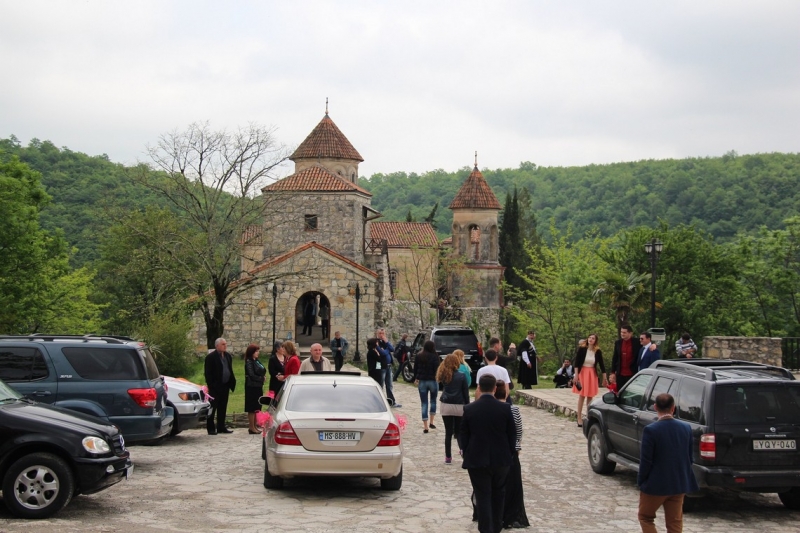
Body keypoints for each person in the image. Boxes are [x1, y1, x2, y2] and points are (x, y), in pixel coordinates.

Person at [460, 374, 517, 533]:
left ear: (479, 387)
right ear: (495, 388)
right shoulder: (505, 409)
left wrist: (466, 452)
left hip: (477, 458)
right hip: (501, 458)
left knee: (482, 495)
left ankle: (485, 528)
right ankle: (497, 526)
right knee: (499, 493)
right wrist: (509, 452)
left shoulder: (469, 409)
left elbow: (463, 434)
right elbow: (512, 434)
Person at [637, 393, 699, 533]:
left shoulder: (651, 430)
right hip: (678, 483)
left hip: (655, 484)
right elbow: (690, 458)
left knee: (645, 517)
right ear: (673, 408)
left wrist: (642, 481)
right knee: (674, 522)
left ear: (655, 407)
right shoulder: (686, 428)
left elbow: (646, 461)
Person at [494, 381, 529, 529]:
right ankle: (510, 514)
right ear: (506, 393)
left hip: (496, 451)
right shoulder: (513, 409)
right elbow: (518, 430)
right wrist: (517, 446)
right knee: (512, 485)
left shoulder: (493, 409)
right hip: (511, 451)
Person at [436, 352, 470, 464]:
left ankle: (448, 457)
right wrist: (467, 405)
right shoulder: (461, 376)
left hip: (446, 404)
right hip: (459, 405)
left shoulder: (444, 376)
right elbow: (465, 393)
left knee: (448, 432)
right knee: (459, 432)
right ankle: (463, 453)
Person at [573, 333, 607, 426]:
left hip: (592, 373)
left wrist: (604, 377)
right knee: (582, 395)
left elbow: (602, 365)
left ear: (595, 341)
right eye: (589, 337)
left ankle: (588, 416)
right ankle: (579, 417)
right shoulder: (582, 349)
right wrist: (576, 375)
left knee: (590, 396)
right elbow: (576, 363)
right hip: (583, 372)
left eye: (593, 338)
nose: (591, 339)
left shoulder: (597, 351)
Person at [204, 338, 237, 435]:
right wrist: (211, 385)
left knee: (223, 407)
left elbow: (229, 369)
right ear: (217, 346)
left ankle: (221, 426)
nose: (225, 346)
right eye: (223, 344)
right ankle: (211, 428)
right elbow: (208, 373)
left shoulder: (227, 356)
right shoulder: (211, 357)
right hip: (215, 387)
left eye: (225, 344)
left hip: (225, 385)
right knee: (212, 407)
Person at [413, 340, 440, 433]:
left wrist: (416, 377)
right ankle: (432, 422)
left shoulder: (419, 356)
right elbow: (437, 368)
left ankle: (425, 426)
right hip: (433, 380)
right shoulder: (435, 356)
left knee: (424, 403)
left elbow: (415, 368)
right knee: (433, 401)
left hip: (422, 381)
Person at [243, 343, 266, 434]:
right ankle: (251, 427)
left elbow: (262, 370)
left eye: (258, 351)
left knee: (257, 407)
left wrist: (262, 377)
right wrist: (261, 378)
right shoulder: (249, 361)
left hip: (258, 386)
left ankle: (255, 426)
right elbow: (251, 375)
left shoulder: (256, 361)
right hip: (251, 387)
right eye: (256, 351)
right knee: (252, 407)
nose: (257, 353)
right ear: (251, 352)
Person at [610, 325, 642, 390]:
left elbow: (647, 344)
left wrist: (653, 345)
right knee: (620, 391)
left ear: (630, 333)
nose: (622, 334)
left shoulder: (637, 342)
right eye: (621, 332)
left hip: (632, 373)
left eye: (624, 332)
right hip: (620, 374)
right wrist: (613, 372)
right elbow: (615, 358)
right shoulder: (618, 343)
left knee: (631, 391)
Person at [375, 328, 400, 406]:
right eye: (380, 333)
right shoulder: (376, 342)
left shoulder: (385, 342)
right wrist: (387, 350)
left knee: (389, 385)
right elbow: (382, 353)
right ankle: (378, 401)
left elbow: (392, 349)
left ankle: (391, 401)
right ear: (377, 334)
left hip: (388, 366)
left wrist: (387, 342)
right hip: (381, 366)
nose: (382, 335)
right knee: (380, 384)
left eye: (383, 333)